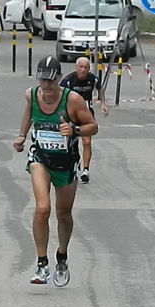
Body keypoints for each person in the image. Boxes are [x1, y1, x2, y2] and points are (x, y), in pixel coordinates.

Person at [13, 55, 98, 286]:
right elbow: (29, 112)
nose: (47, 86)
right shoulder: (31, 95)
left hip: (66, 163)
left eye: (51, 81)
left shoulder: (73, 100)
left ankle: (61, 255)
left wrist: (74, 130)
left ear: (60, 78)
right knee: (42, 208)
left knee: (63, 214)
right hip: (40, 157)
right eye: (43, 81)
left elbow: (93, 127)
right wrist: (22, 136)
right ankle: (42, 264)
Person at [60, 56, 108, 184]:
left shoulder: (93, 79)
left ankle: (86, 170)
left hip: (86, 112)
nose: (83, 70)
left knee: (86, 142)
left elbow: (100, 88)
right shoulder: (69, 80)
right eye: (80, 67)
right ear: (76, 68)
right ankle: (75, 163)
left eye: (86, 67)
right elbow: (59, 93)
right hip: (72, 113)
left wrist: (103, 103)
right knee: (71, 142)